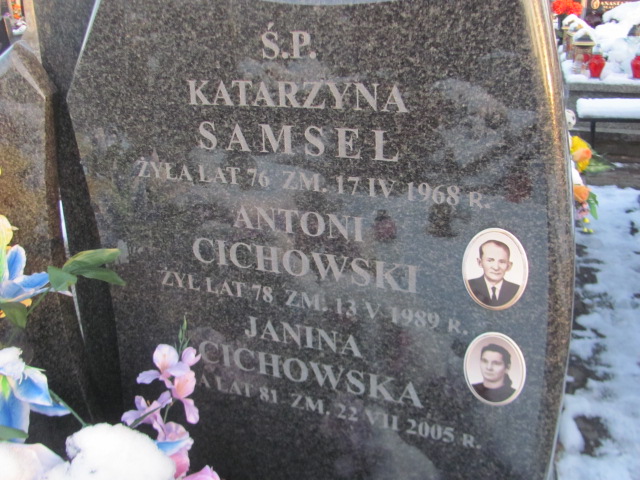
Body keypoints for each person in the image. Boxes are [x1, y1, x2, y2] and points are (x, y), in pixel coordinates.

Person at [467, 239, 519, 307]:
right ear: (480, 262)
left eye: (502, 262)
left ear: (509, 266)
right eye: (490, 260)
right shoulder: (469, 286)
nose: (496, 267)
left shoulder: (516, 290)